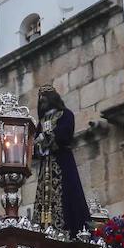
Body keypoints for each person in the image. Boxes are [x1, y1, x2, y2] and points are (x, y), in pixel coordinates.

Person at [30, 84, 90, 236]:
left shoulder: (65, 114)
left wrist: (48, 137)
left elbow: (65, 134)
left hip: (62, 162)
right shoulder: (41, 122)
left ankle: (68, 230)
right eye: (40, 98)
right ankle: (44, 229)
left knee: (67, 194)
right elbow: (35, 144)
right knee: (44, 197)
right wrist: (39, 144)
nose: (42, 100)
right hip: (46, 166)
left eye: (45, 97)